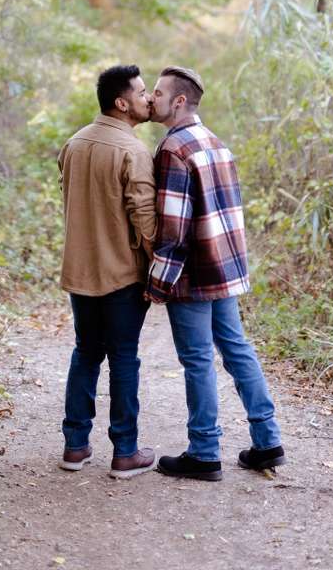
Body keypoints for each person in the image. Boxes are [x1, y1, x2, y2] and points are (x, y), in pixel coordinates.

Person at [146, 65, 285, 481]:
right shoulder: (216, 143)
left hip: (193, 274)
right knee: (237, 349)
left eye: (157, 92)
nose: (150, 99)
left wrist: (157, 284)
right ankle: (268, 441)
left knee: (198, 360)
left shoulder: (173, 149)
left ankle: (204, 452)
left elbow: (173, 229)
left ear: (179, 101)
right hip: (224, 267)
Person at [57, 64, 157, 480]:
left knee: (86, 352)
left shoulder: (74, 143)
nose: (148, 97)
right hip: (121, 273)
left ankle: (75, 447)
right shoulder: (132, 151)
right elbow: (145, 216)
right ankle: (125, 452)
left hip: (81, 270)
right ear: (122, 103)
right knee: (123, 358)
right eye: (141, 92)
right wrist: (158, 267)